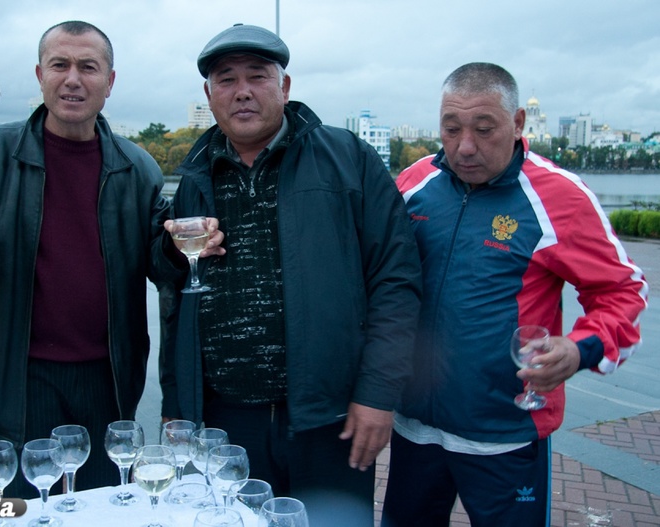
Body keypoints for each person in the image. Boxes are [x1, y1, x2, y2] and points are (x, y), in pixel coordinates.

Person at [0, 21, 222, 498]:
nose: (72, 79)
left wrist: (176, 246)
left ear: (110, 81)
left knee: (104, 505)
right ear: (40, 75)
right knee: (26, 508)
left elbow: (158, 262)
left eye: (88, 67)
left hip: (108, 379)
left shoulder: (138, 168)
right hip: (17, 377)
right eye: (60, 65)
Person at [159, 24, 422, 525]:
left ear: (284, 86)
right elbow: (175, 298)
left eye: (257, 76)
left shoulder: (348, 159)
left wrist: (377, 393)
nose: (242, 91)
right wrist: (177, 401)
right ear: (209, 96)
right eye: (226, 79)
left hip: (329, 419)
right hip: (224, 422)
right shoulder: (195, 175)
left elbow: (396, 280)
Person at [382, 62, 648, 527]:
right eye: (451, 129)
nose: (465, 146)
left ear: (519, 122)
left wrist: (580, 349)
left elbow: (622, 291)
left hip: (505, 432)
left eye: (484, 129)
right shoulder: (414, 183)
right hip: (414, 427)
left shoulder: (559, 197)